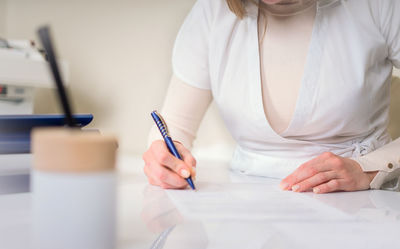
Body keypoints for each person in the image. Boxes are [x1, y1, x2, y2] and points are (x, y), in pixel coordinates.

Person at [142, 0, 400, 193]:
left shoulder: (377, 6)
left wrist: (370, 168)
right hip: (247, 201)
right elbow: (174, 125)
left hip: (360, 202)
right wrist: (163, 158)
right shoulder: (212, 11)